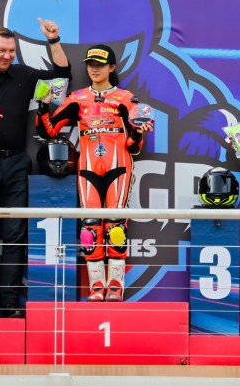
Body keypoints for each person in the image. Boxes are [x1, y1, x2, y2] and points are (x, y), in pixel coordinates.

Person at [0, 19, 71, 318]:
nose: (7, 56)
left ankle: (10, 303)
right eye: (2, 51)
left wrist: (53, 40)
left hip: (17, 162)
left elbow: (61, 77)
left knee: (15, 234)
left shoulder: (24, 75)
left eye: (11, 51)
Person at [35, 44, 154, 302]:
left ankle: (116, 286)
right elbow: (48, 131)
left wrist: (138, 132)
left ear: (112, 67)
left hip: (118, 166)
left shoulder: (126, 98)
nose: (94, 69)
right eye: (91, 64)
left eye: (100, 65)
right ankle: (96, 287)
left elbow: (134, 147)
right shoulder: (77, 98)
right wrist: (42, 106)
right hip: (87, 168)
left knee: (116, 226)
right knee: (89, 227)